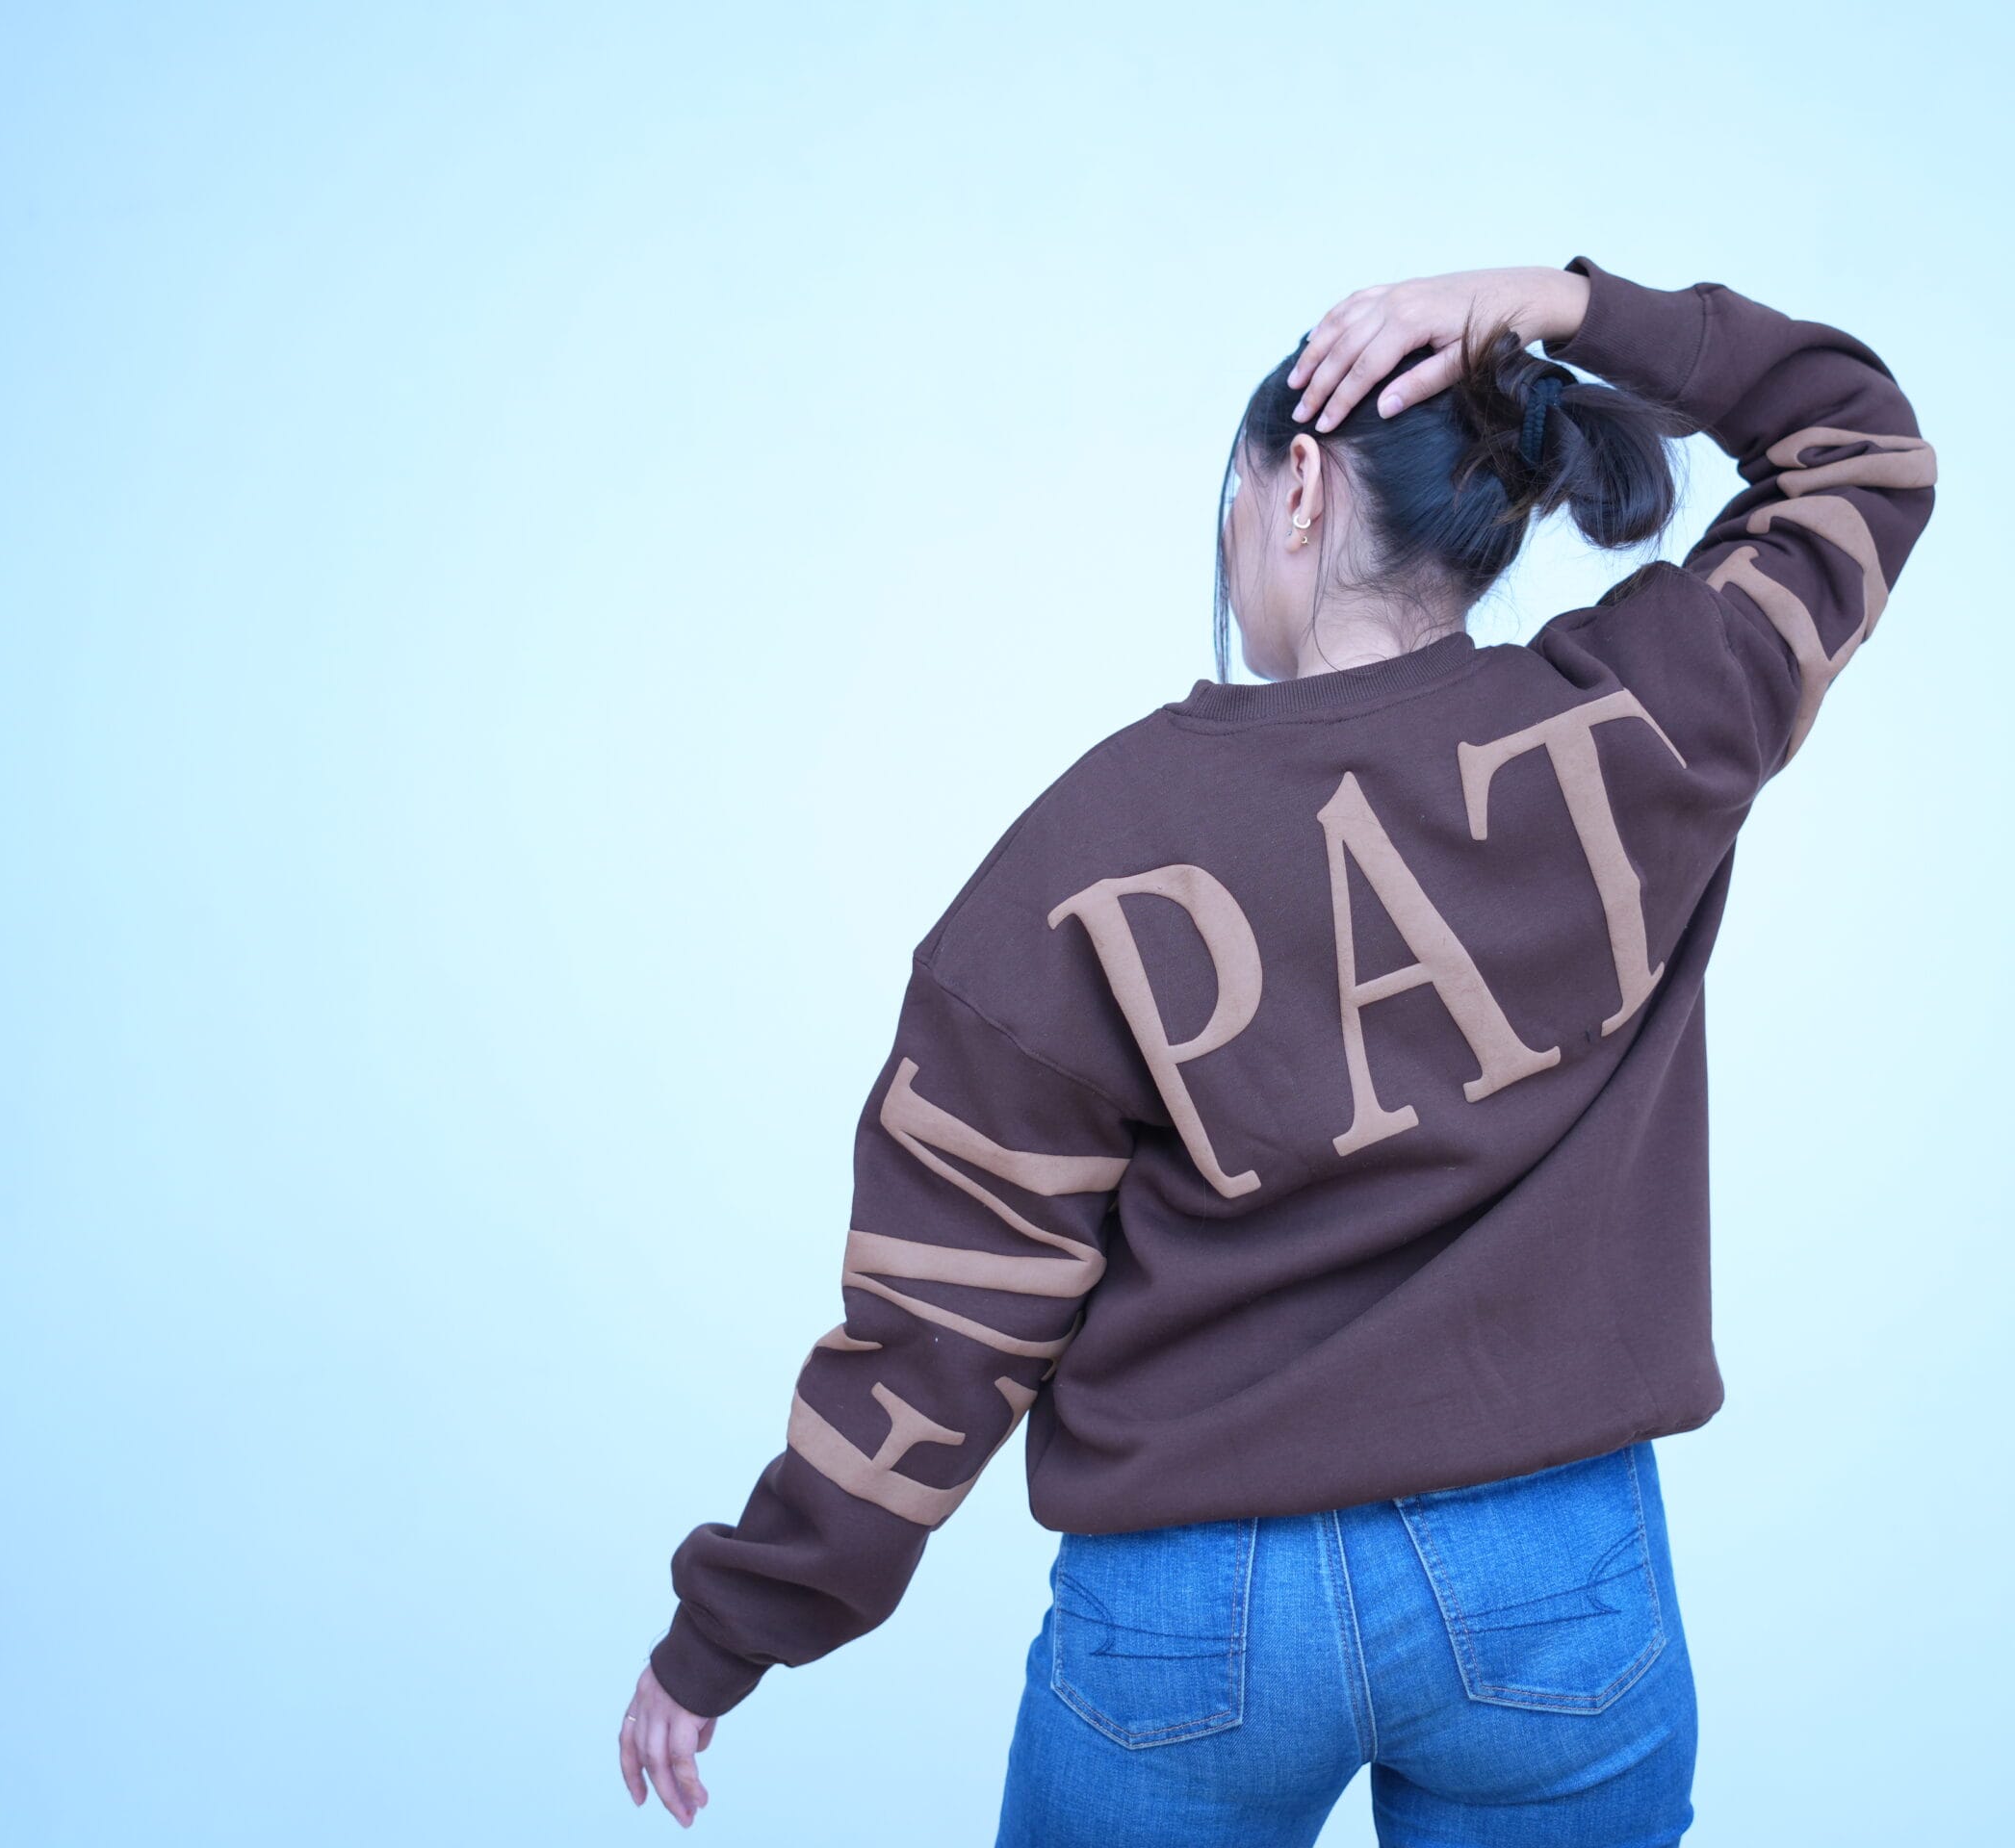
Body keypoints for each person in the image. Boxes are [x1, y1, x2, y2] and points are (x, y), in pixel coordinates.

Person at [618, 253, 1938, 1844]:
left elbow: (948, 1323)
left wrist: (735, 1628)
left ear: (1299, 486)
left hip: (1198, 1603)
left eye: (1238, 497)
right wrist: (1559, 302)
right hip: (1559, 1574)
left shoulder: (1083, 850)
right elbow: (1858, 445)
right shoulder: (1649, 716)